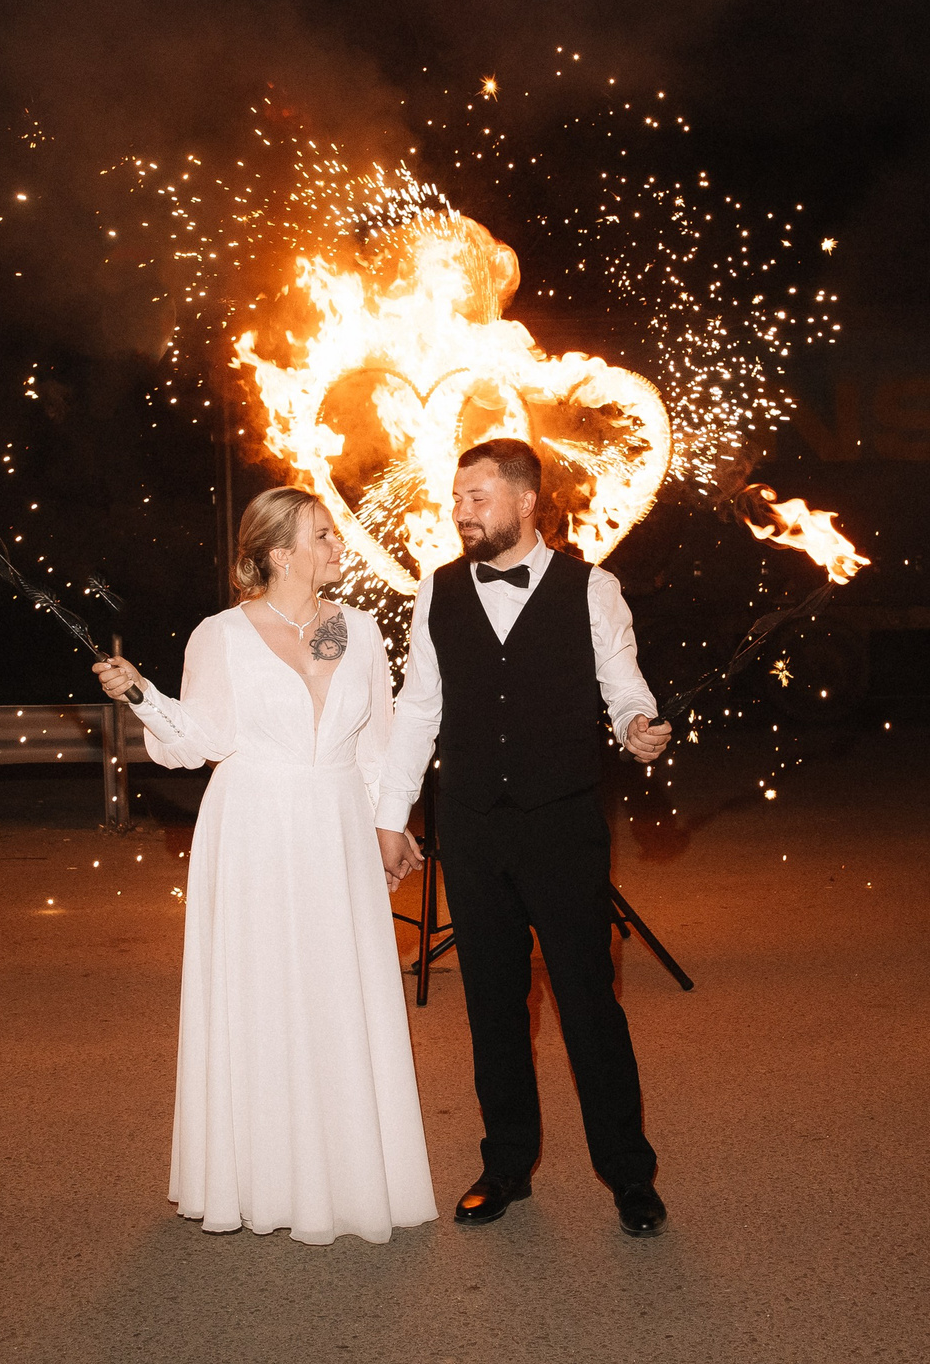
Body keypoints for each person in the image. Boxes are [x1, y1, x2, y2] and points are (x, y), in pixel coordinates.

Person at [93, 487, 437, 1244]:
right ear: (279, 553)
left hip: (338, 823)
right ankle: (261, 1176)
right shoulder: (222, 635)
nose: (339, 548)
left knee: (336, 986)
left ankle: (347, 1174)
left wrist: (390, 825)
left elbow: (378, 743)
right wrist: (143, 695)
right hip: (252, 828)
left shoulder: (359, 630)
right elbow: (197, 743)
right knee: (261, 989)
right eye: (322, 536)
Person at [376, 439, 676, 1237]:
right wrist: (390, 815)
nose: (461, 511)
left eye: (476, 496)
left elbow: (624, 683)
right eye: (457, 497)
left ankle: (628, 1176)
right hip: (472, 827)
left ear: (525, 502)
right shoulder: (436, 592)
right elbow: (419, 708)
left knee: (587, 1004)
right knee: (493, 1006)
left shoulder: (593, 588)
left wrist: (638, 728)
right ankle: (507, 1166)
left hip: (563, 827)